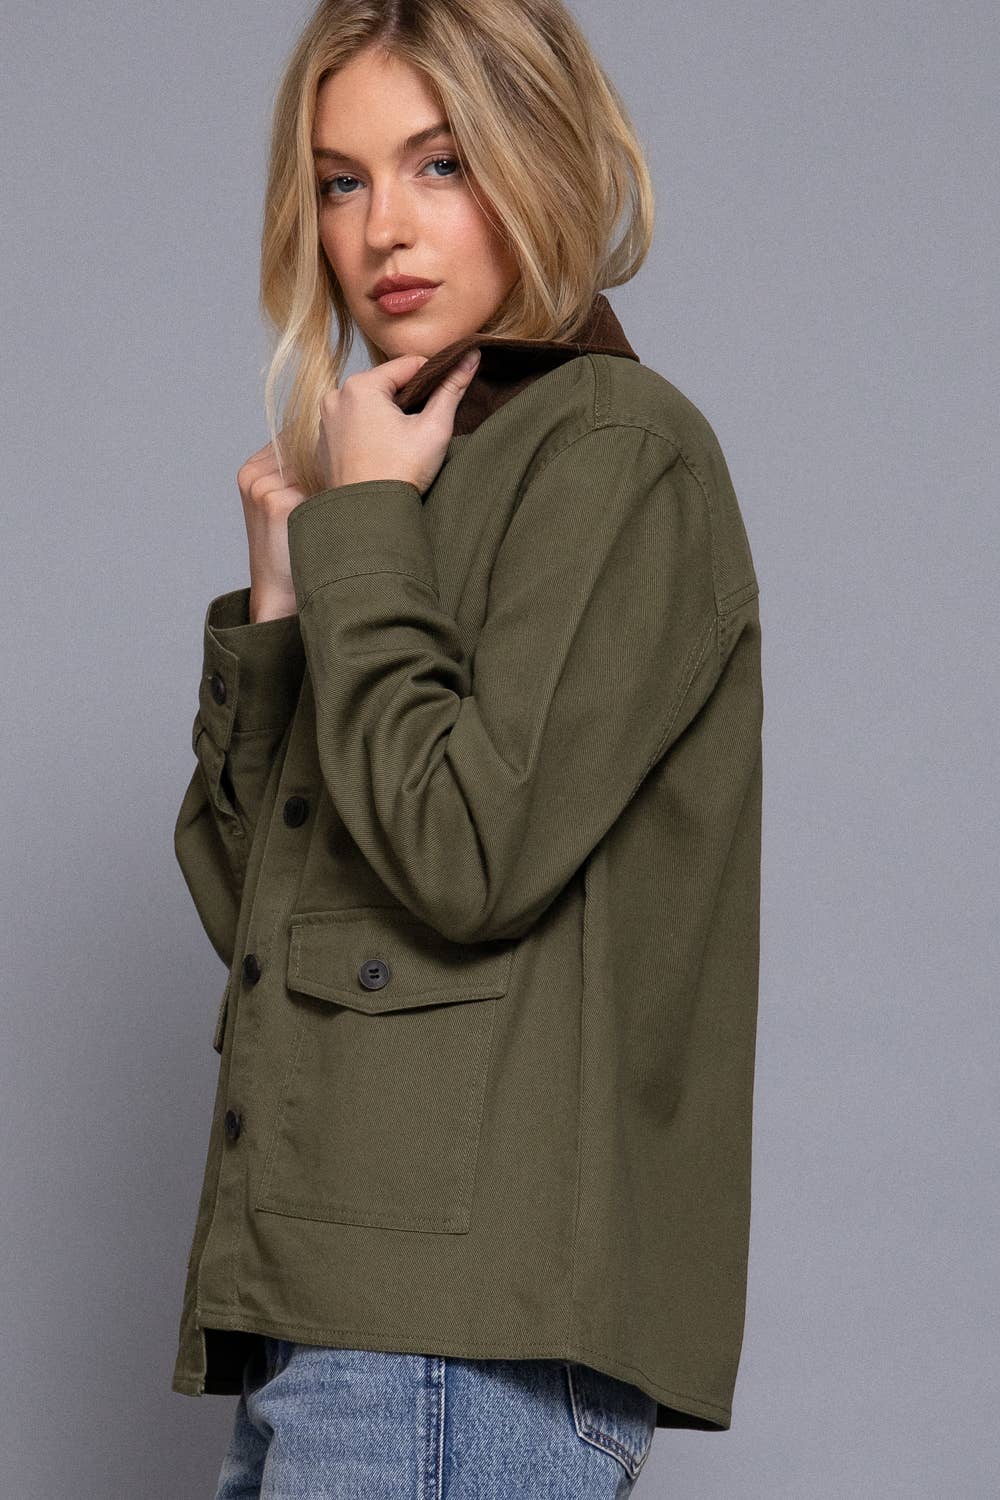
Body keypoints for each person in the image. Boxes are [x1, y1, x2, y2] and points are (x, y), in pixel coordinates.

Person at [170, 1, 764, 1495]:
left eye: (441, 163)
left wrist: (365, 525)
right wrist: (284, 607)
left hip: (455, 1348)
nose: (383, 229)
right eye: (343, 180)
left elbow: (466, 857)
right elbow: (262, 929)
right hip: (326, 1322)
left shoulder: (616, 450)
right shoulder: (413, 484)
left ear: (542, 159)